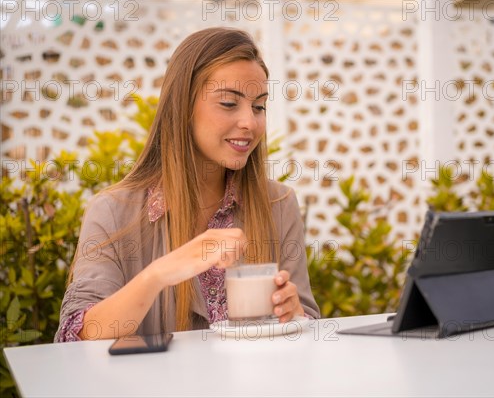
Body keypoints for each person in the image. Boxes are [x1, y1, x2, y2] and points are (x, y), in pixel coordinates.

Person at [55, 27, 320, 342]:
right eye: (228, 103)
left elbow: (307, 327)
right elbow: (77, 337)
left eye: (259, 106)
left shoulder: (279, 203)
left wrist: (294, 316)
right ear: (183, 108)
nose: (250, 122)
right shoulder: (113, 212)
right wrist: (160, 273)